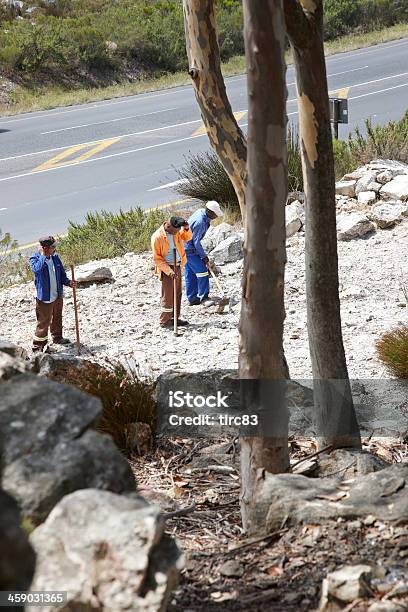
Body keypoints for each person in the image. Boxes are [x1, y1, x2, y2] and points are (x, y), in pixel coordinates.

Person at [29, 236, 76, 353]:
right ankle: (38, 347)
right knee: (43, 322)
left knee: (57, 317)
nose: (55, 249)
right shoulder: (35, 258)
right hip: (44, 298)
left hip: (57, 295)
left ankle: (57, 337)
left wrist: (69, 283)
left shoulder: (56, 258)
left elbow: (62, 276)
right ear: (46, 248)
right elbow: (36, 269)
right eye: (53, 247)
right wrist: (43, 256)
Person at [151, 216, 192, 329]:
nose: (177, 234)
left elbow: (187, 238)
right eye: (175, 232)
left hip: (178, 264)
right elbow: (157, 259)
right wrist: (169, 271)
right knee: (168, 295)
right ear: (168, 227)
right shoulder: (157, 237)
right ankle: (164, 321)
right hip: (167, 268)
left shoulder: (176, 232)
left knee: (177, 293)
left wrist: (187, 228)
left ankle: (174, 318)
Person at [184, 200, 224, 305]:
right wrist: (204, 256)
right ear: (210, 212)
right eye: (215, 214)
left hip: (185, 246)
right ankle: (204, 297)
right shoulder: (200, 222)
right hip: (189, 249)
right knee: (202, 272)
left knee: (191, 273)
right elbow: (196, 243)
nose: (216, 216)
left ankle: (192, 298)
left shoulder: (201, 211)